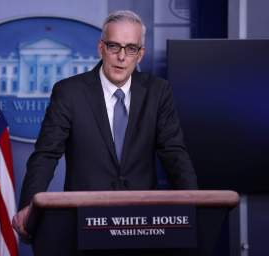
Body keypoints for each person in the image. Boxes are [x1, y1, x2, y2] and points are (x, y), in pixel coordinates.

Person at [12, 10, 198, 240]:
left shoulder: (158, 92)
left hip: (143, 221)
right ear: (101, 48)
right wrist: (28, 205)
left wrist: (195, 203)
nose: (122, 56)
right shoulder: (69, 92)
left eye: (131, 48)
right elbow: (46, 155)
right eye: (114, 47)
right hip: (83, 221)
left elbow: (174, 153)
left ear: (140, 55)